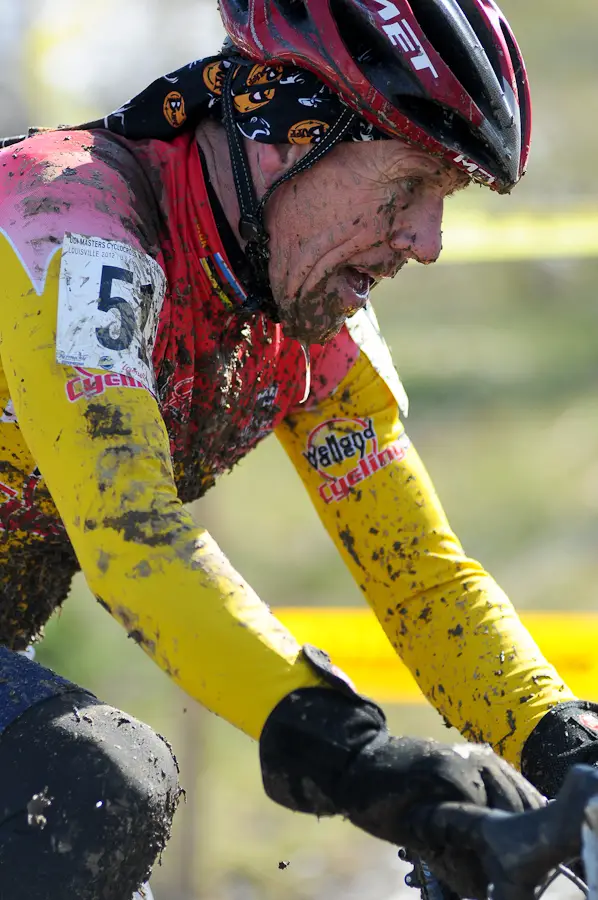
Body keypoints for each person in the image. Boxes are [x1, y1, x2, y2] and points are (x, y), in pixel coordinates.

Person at [0, 0, 597, 896]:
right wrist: (364, 763)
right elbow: (136, 542)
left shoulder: (303, 316)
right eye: (408, 184)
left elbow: (421, 579)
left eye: (447, 200)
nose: (428, 242)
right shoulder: (72, 223)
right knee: (96, 788)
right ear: (286, 134)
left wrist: (567, 750)